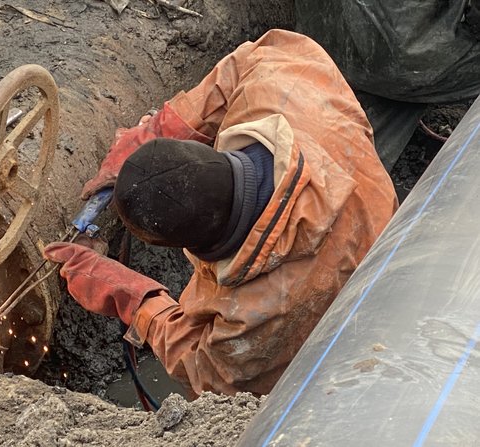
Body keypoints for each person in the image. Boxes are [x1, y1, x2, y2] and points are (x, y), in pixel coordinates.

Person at [43, 29, 398, 396]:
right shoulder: (284, 91)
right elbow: (250, 60)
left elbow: (207, 372)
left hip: (366, 323)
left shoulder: (259, 309)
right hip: (378, 216)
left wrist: (134, 299)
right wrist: (156, 133)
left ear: (181, 247)